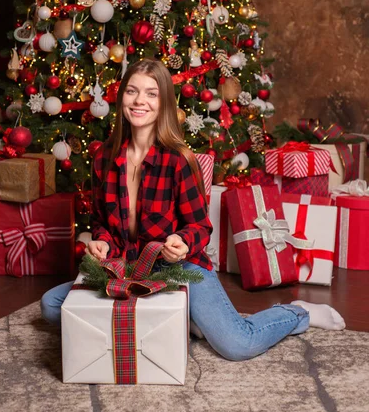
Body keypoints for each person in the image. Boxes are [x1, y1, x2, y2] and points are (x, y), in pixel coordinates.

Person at [41, 59, 345, 361]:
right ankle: (179, 320)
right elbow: (99, 220)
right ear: (121, 98)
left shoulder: (178, 160)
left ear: (164, 103)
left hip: (176, 270)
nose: (139, 101)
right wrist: (103, 241)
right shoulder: (103, 159)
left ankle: (297, 313)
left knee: (238, 344)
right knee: (53, 306)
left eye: (151, 93)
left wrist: (182, 244)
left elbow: (200, 226)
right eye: (132, 91)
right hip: (125, 270)